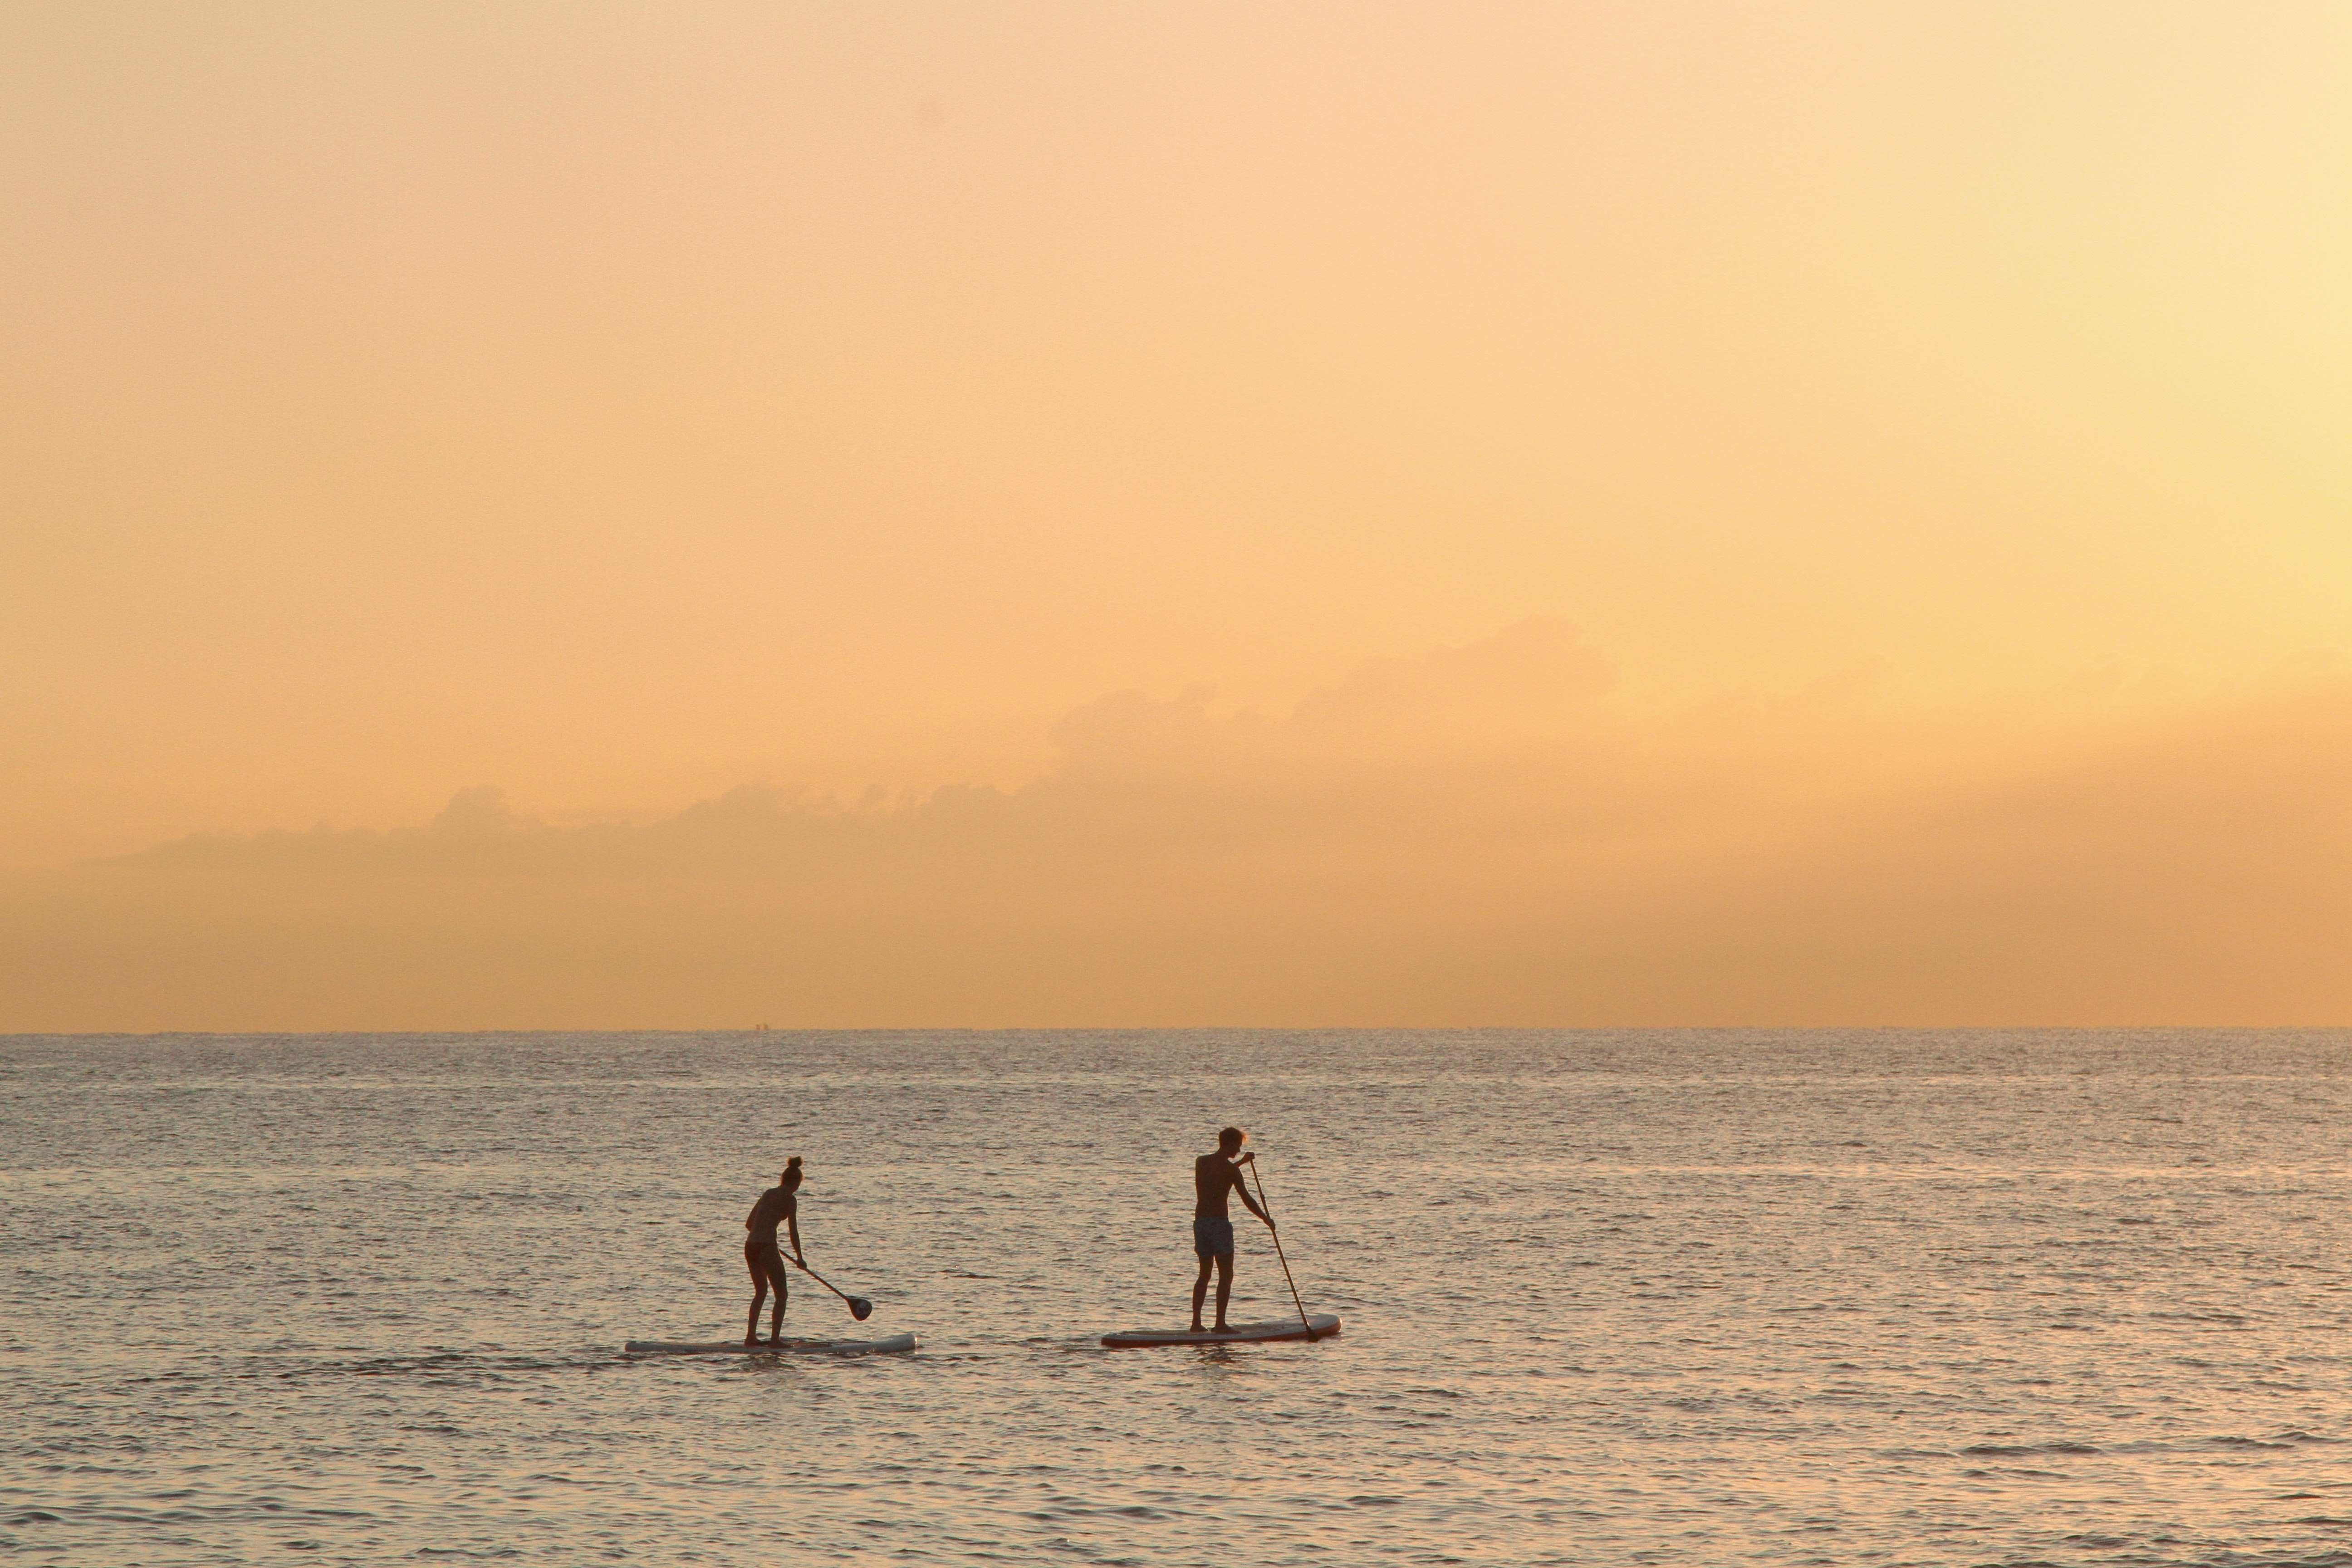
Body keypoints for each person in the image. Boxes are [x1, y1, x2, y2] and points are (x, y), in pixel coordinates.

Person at [1191, 1126, 1273, 1333]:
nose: (1238, 1150)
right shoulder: (1231, 1171)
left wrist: (1241, 1164)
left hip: (1201, 1224)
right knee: (1226, 1275)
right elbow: (1247, 1199)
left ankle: (1196, 1323)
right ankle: (1220, 1324)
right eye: (1237, 1146)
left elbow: (1219, 1174)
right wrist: (1266, 1219)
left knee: (1205, 1275)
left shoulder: (1202, 1162)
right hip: (1219, 1224)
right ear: (1228, 1144)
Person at [744, 1157, 805, 1346]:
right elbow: (793, 1231)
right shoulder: (790, 1199)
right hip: (766, 1247)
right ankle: (775, 1340)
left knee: (761, 1292)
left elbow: (749, 1224)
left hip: (751, 1246)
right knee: (782, 1295)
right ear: (796, 1183)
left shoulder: (769, 1193)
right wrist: (800, 1258)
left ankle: (751, 1338)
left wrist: (765, 1237)